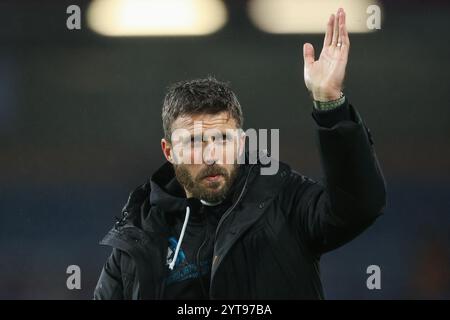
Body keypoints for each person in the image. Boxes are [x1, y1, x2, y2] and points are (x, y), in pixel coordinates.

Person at [94, 8, 386, 299]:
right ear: (168, 151)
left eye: (222, 139)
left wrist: (330, 103)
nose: (211, 156)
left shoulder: (282, 200)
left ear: (242, 143)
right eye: (194, 141)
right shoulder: (137, 239)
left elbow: (359, 207)